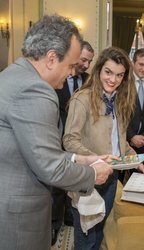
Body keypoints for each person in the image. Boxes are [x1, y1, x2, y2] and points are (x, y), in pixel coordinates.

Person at [0, 15, 113, 250]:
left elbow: (33, 148)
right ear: (51, 58)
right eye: (71, 65)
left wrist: (78, 158)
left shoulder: (12, 74)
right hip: (18, 216)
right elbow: (50, 167)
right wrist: (93, 175)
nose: (72, 73)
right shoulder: (34, 89)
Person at [63, 46, 144, 250]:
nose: (113, 79)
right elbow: (69, 141)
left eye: (119, 75)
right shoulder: (81, 99)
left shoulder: (120, 100)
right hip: (87, 179)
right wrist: (98, 159)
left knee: (99, 231)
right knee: (86, 238)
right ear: (99, 70)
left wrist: (135, 159)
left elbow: (120, 142)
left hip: (111, 179)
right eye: (108, 72)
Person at [51, 40, 95, 244]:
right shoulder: (56, 79)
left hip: (79, 140)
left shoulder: (88, 80)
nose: (86, 65)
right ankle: (54, 222)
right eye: (84, 60)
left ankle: (70, 215)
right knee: (57, 183)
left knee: (75, 179)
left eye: (89, 62)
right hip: (58, 136)